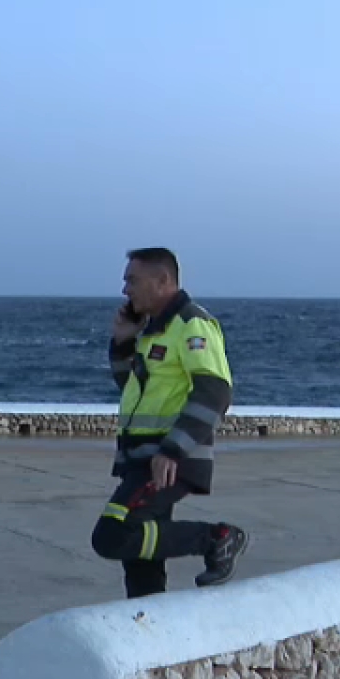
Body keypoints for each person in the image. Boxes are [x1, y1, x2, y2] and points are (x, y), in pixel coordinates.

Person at [91, 247, 249, 598]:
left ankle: (217, 538)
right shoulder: (152, 332)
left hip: (167, 460)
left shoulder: (192, 324)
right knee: (141, 562)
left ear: (163, 280)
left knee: (113, 535)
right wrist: (123, 344)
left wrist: (173, 450)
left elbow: (215, 390)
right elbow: (133, 390)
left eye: (132, 280)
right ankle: (148, 624)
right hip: (141, 458)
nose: (125, 290)